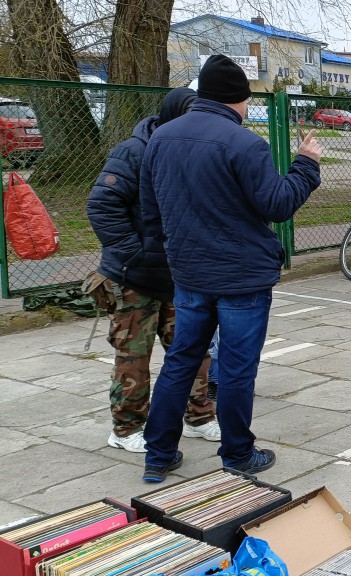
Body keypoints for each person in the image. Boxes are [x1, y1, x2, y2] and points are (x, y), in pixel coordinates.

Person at [138, 55, 323, 482]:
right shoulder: (244, 144)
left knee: (181, 361)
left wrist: (171, 256)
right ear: (238, 100)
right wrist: (306, 165)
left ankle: (158, 453)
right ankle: (238, 454)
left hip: (188, 272)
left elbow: (152, 212)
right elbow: (277, 204)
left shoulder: (161, 138)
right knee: (238, 367)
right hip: (241, 277)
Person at [85, 88, 220, 454]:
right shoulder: (134, 151)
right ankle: (126, 428)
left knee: (194, 351)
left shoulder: (195, 152)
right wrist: (137, 253)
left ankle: (200, 417)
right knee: (134, 358)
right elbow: (102, 205)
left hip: (181, 277)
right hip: (134, 279)